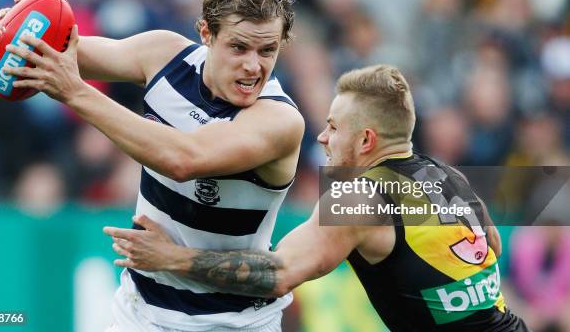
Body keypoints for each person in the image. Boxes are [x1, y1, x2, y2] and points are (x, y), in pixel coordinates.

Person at [0, 0, 304, 331]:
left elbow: (183, 158)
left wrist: (76, 93)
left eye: (267, 51)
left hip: (230, 324)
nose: (253, 67)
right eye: (239, 48)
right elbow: (62, 55)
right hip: (138, 312)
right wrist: (21, 35)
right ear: (206, 33)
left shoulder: (279, 120)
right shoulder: (165, 55)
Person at [109, 65, 531, 331]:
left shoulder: (358, 197)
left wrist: (172, 259)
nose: (322, 137)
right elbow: (490, 246)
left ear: (366, 140)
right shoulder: (446, 175)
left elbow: (277, 275)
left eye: (333, 126)